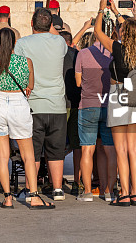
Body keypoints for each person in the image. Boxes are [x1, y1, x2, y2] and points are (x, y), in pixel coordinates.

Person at [93, 0, 136, 207]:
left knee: (120, 150)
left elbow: (98, 32)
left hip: (119, 93)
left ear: (123, 33)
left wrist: (102, 11)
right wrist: (121, 14)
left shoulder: (117, 48)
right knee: (134, 149)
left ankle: (125, 193)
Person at [0, 28, 51, 209]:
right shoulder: (26, 62)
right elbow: (30, 85)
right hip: (18, 103)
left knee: (2, 155)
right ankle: (34, 195)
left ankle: (7, 197)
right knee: (28, 155)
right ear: (15, 42)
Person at [14, 7, 67, 203]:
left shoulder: (22, 43)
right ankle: (58, 188)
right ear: (51, 24)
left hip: (33, 104)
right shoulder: (60, 41)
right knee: (56, 150)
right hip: (56, 104)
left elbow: (19, 70)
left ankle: (31, 188)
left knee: (32, 151)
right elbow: (53, 36)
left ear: (31, 23)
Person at [75, 20, 116, 202]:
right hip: (109, 105)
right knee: (108, 150)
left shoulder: (83, 53)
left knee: (87, 150)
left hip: (88, 105)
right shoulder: (115, 53)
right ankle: (109, 191)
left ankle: (87, 192)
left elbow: (78, 82)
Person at [60, 30, 81, 195]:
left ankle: (56, 181)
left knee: (56, 144)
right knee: (77, 146)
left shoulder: (55, 55)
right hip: (75, 103)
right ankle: (77, 181)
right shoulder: (78, 54)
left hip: (59, 104)